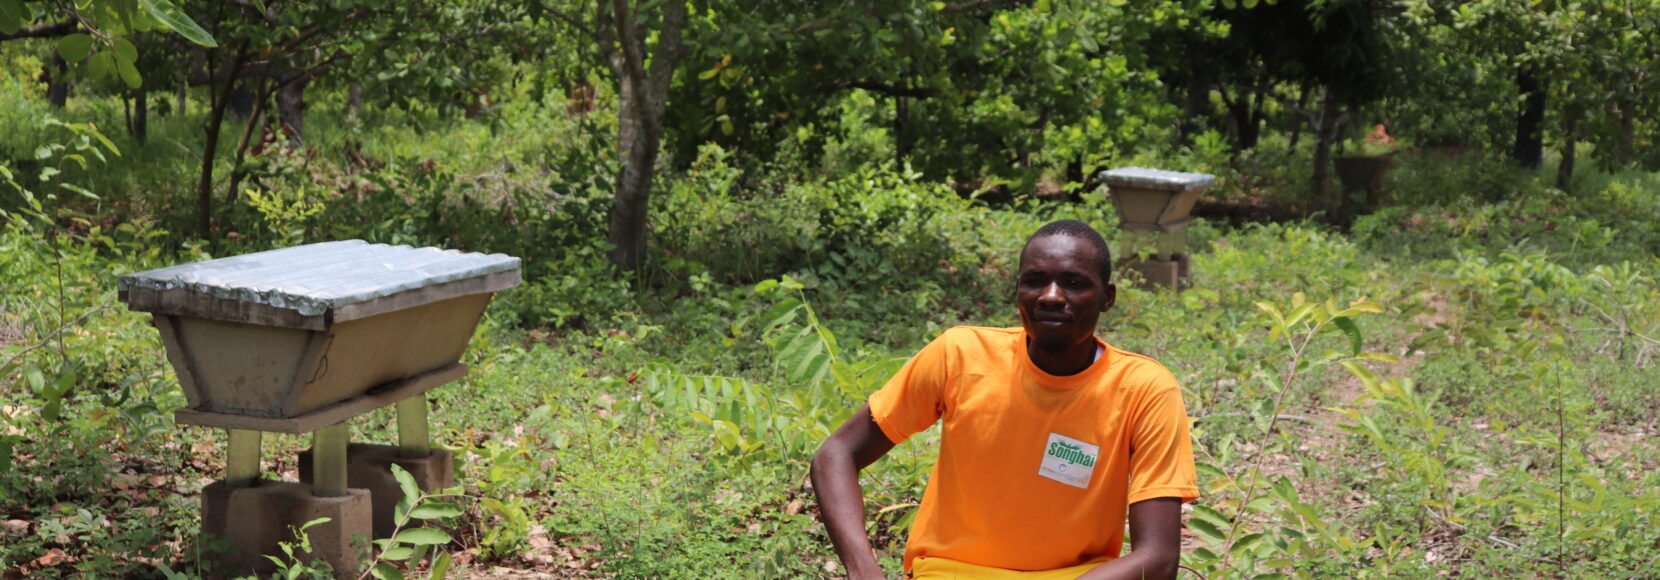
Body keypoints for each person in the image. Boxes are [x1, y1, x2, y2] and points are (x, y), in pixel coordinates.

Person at [811, 219, 1198, 580]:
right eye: (1035, 280)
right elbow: (836, 455)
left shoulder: (1145, 389)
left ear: (1107, 297)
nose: (1050, 296)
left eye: (1074, 283)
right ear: (1018, 291)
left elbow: (1159, 556)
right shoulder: (961, 355)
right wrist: (864, 570)